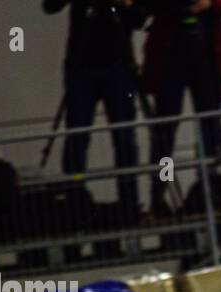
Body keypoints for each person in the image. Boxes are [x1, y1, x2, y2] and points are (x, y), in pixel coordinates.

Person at [44, 0, 147, 223]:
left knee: (124, 138)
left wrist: (124, 3)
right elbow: (50, 6)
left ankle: (129, 203)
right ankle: (75, 200)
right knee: (77, 139)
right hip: (82, 65)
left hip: (118, 66)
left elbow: (140, 18)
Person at [141, 0, 221, 216]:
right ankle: (159, 194)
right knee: (165, 133)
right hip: (170, 52)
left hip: (206, 52)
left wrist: (209, 4)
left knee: (210, 128)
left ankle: (213, 192)